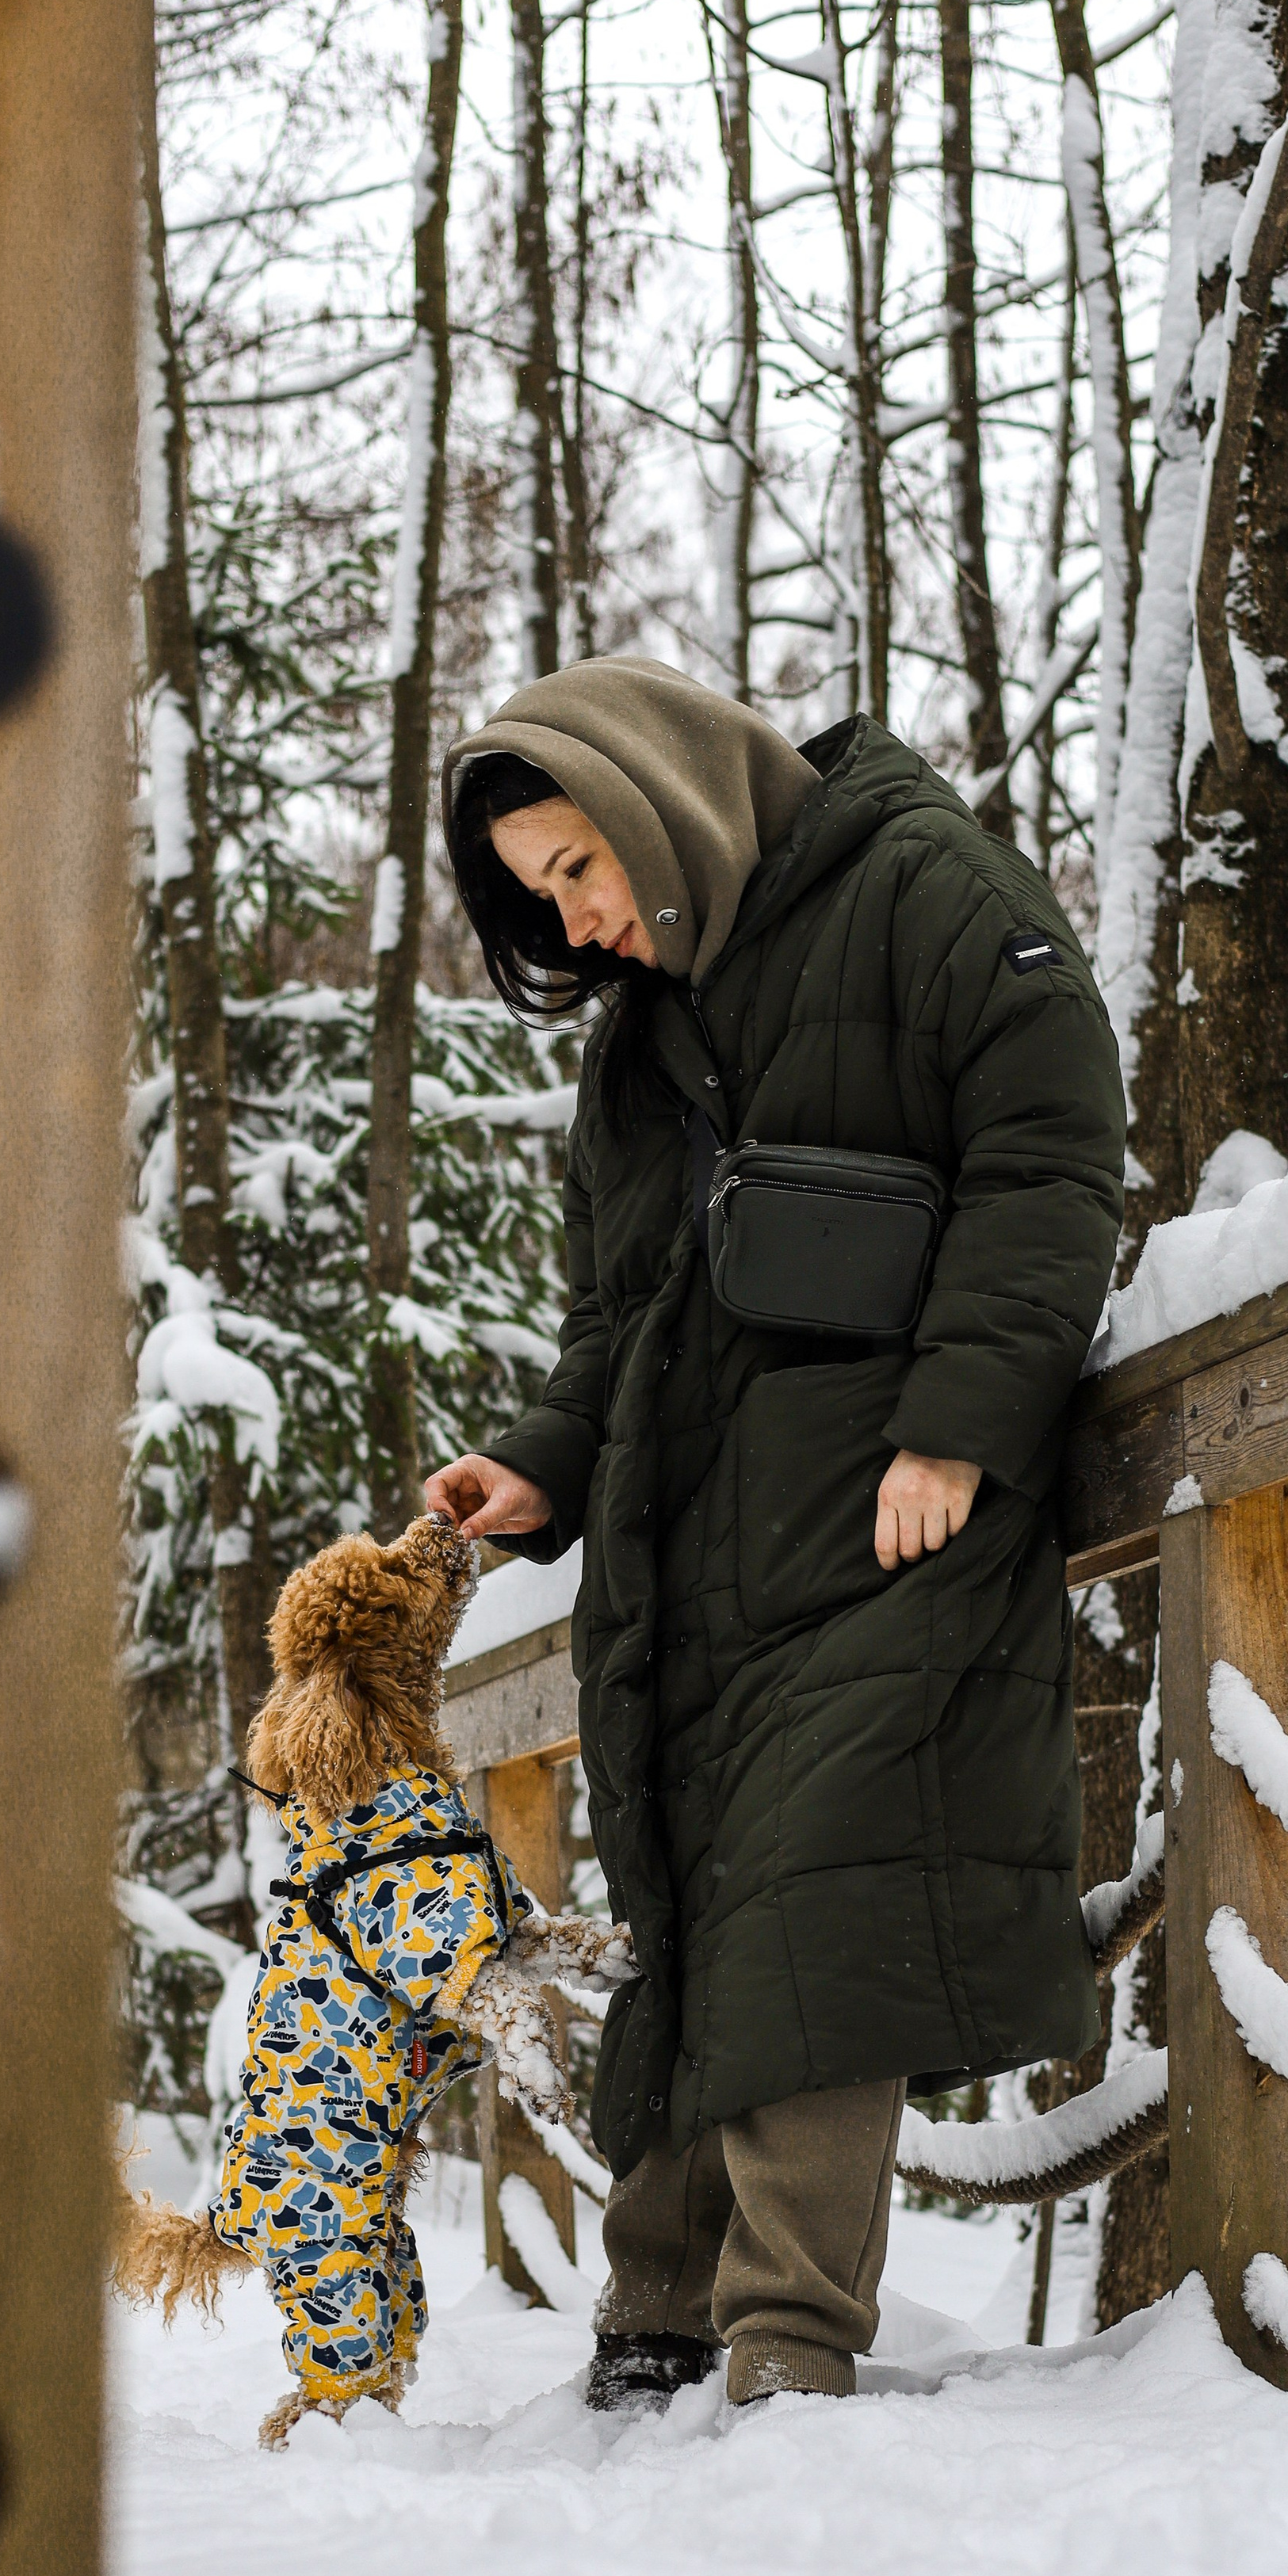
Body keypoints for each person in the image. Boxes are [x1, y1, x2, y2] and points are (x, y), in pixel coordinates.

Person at [423, 657, 1125, 2412]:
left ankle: (786, 2346)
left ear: (660, 802)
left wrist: (958, 1424)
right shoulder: (641, 1042)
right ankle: (653, 2324)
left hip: (897, 1512)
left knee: (817, 1899)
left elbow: (1049, 1160)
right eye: (540, 898)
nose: (576, 921)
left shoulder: (927, 891)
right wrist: (537, 1467)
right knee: (701, 1904)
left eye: (579, 869)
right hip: (696, 1547)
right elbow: (620, 1316)